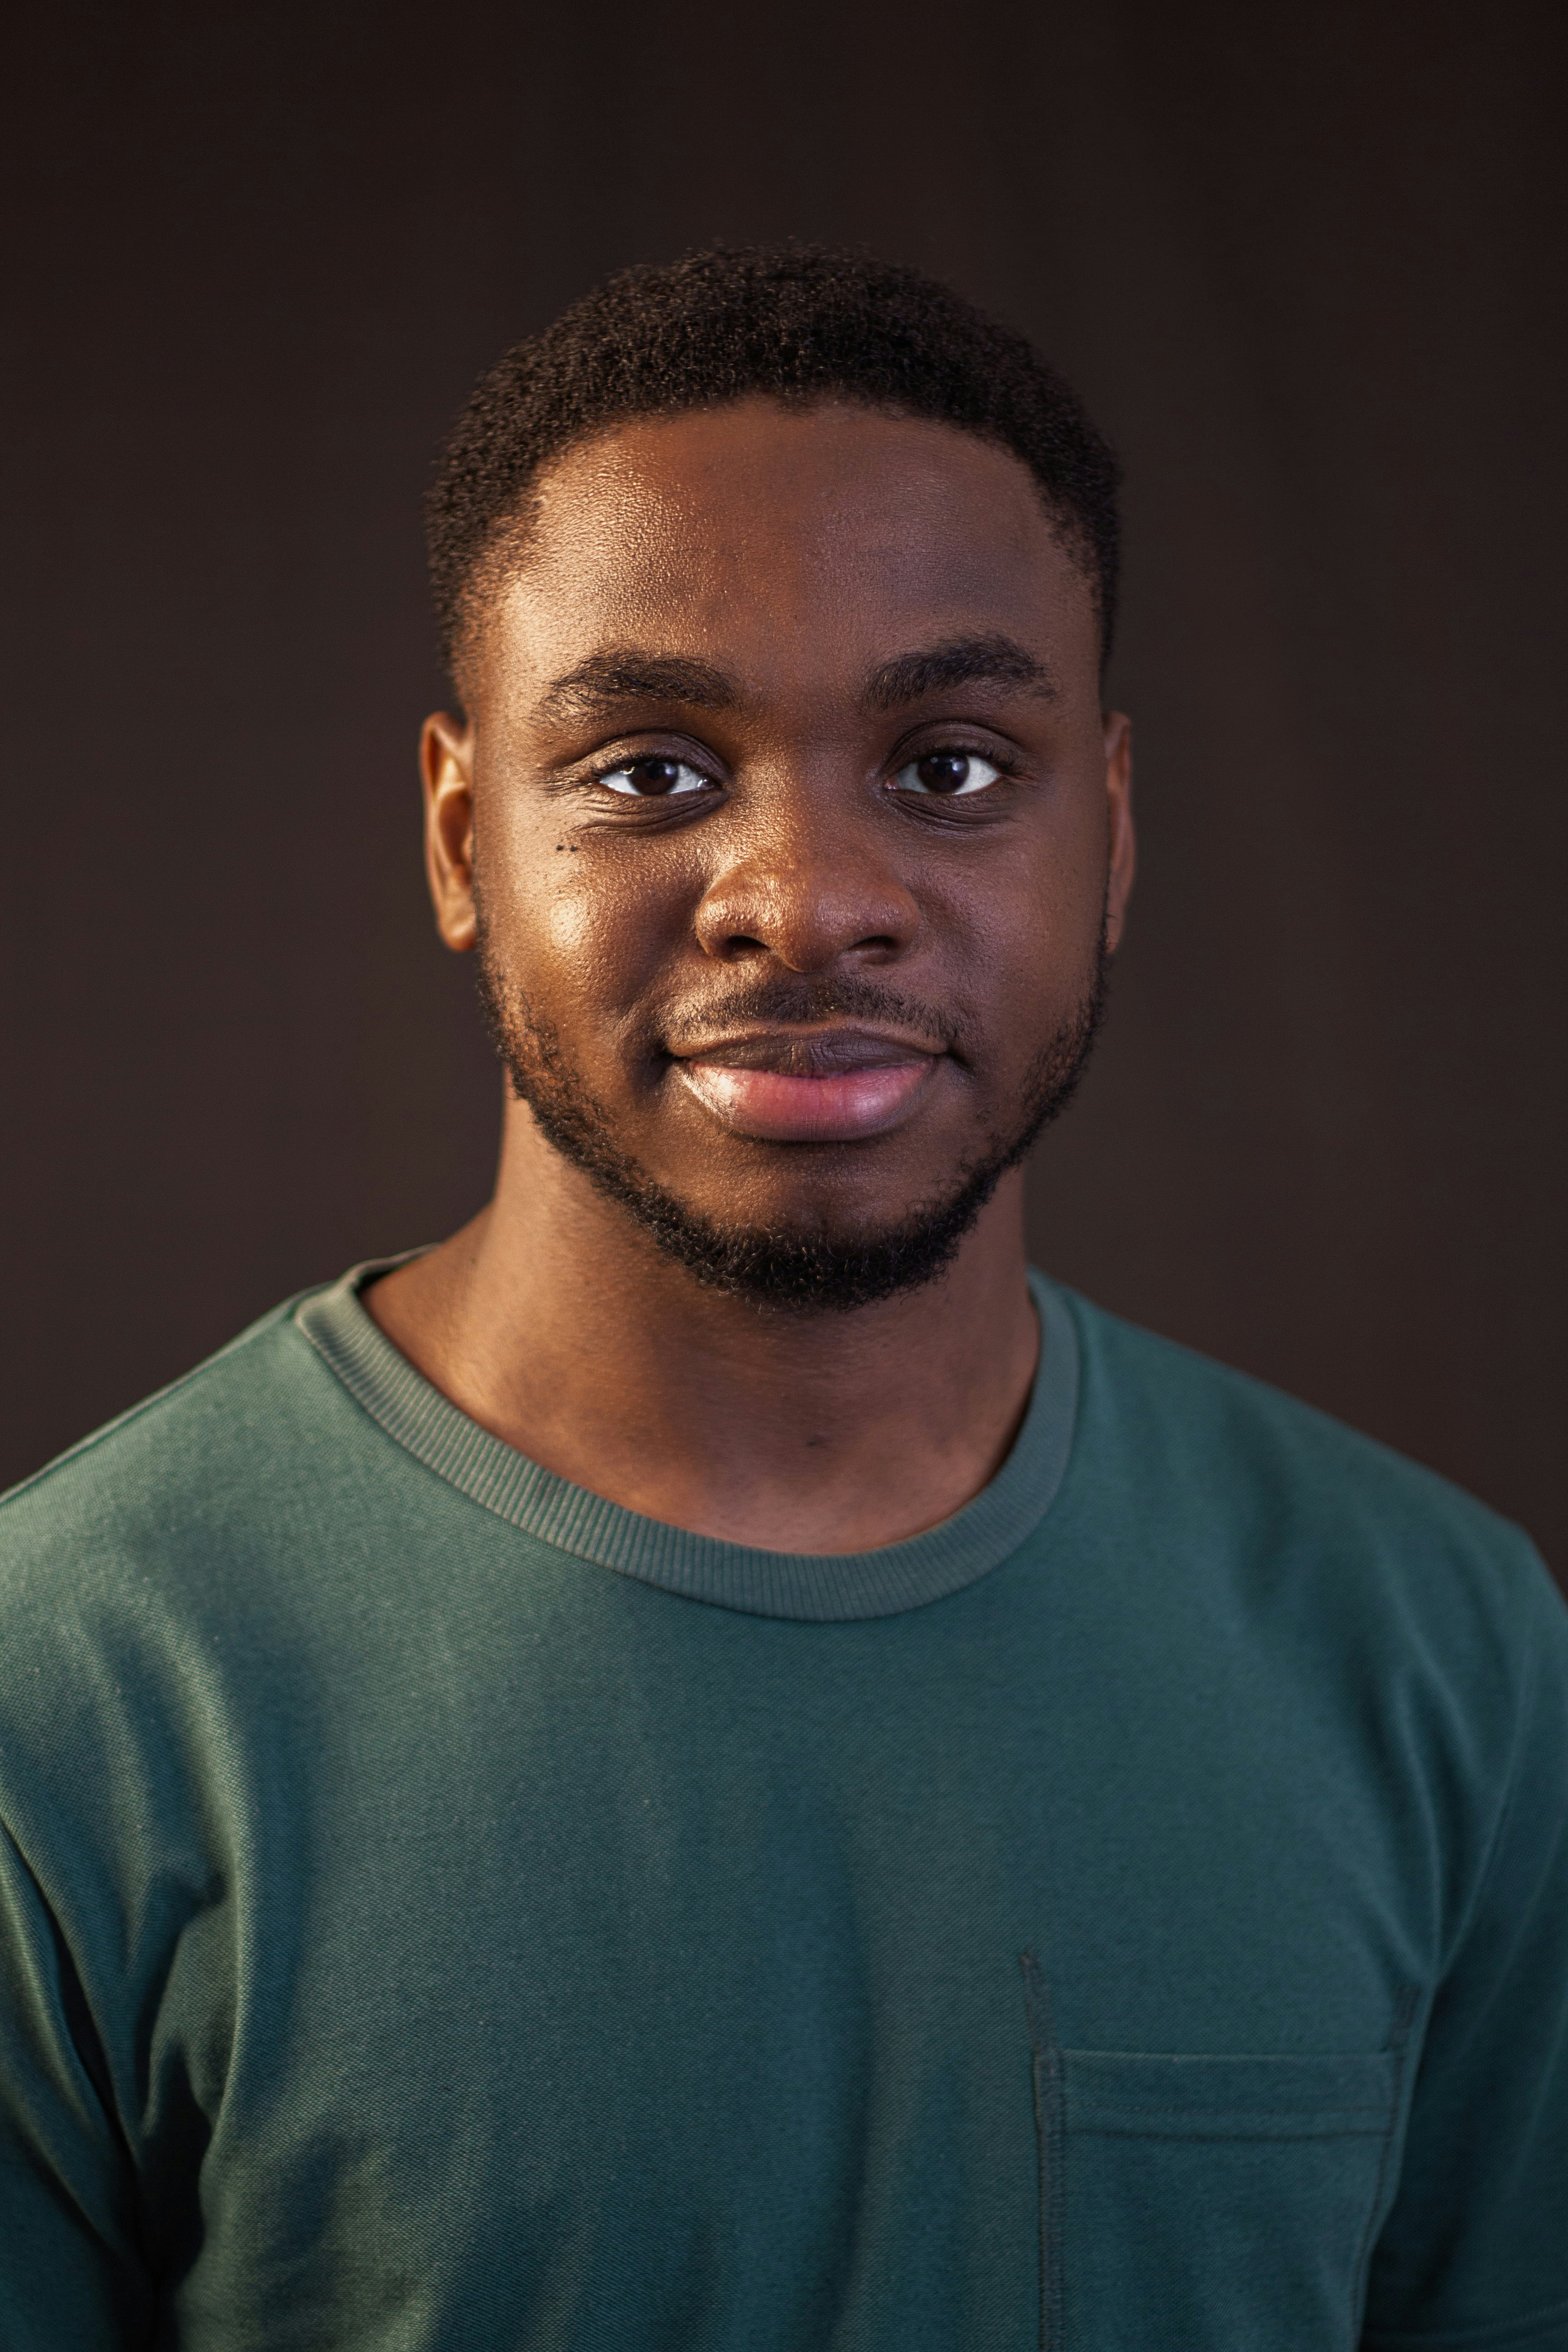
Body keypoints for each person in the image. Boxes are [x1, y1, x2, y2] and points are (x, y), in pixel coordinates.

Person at [0, 245, 1563, 2352]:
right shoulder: (66, 1692)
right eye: (649, 769)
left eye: (951, 768)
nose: (810, 901)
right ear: (463, 841)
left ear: (1107, 835)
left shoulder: (1446, 1659)